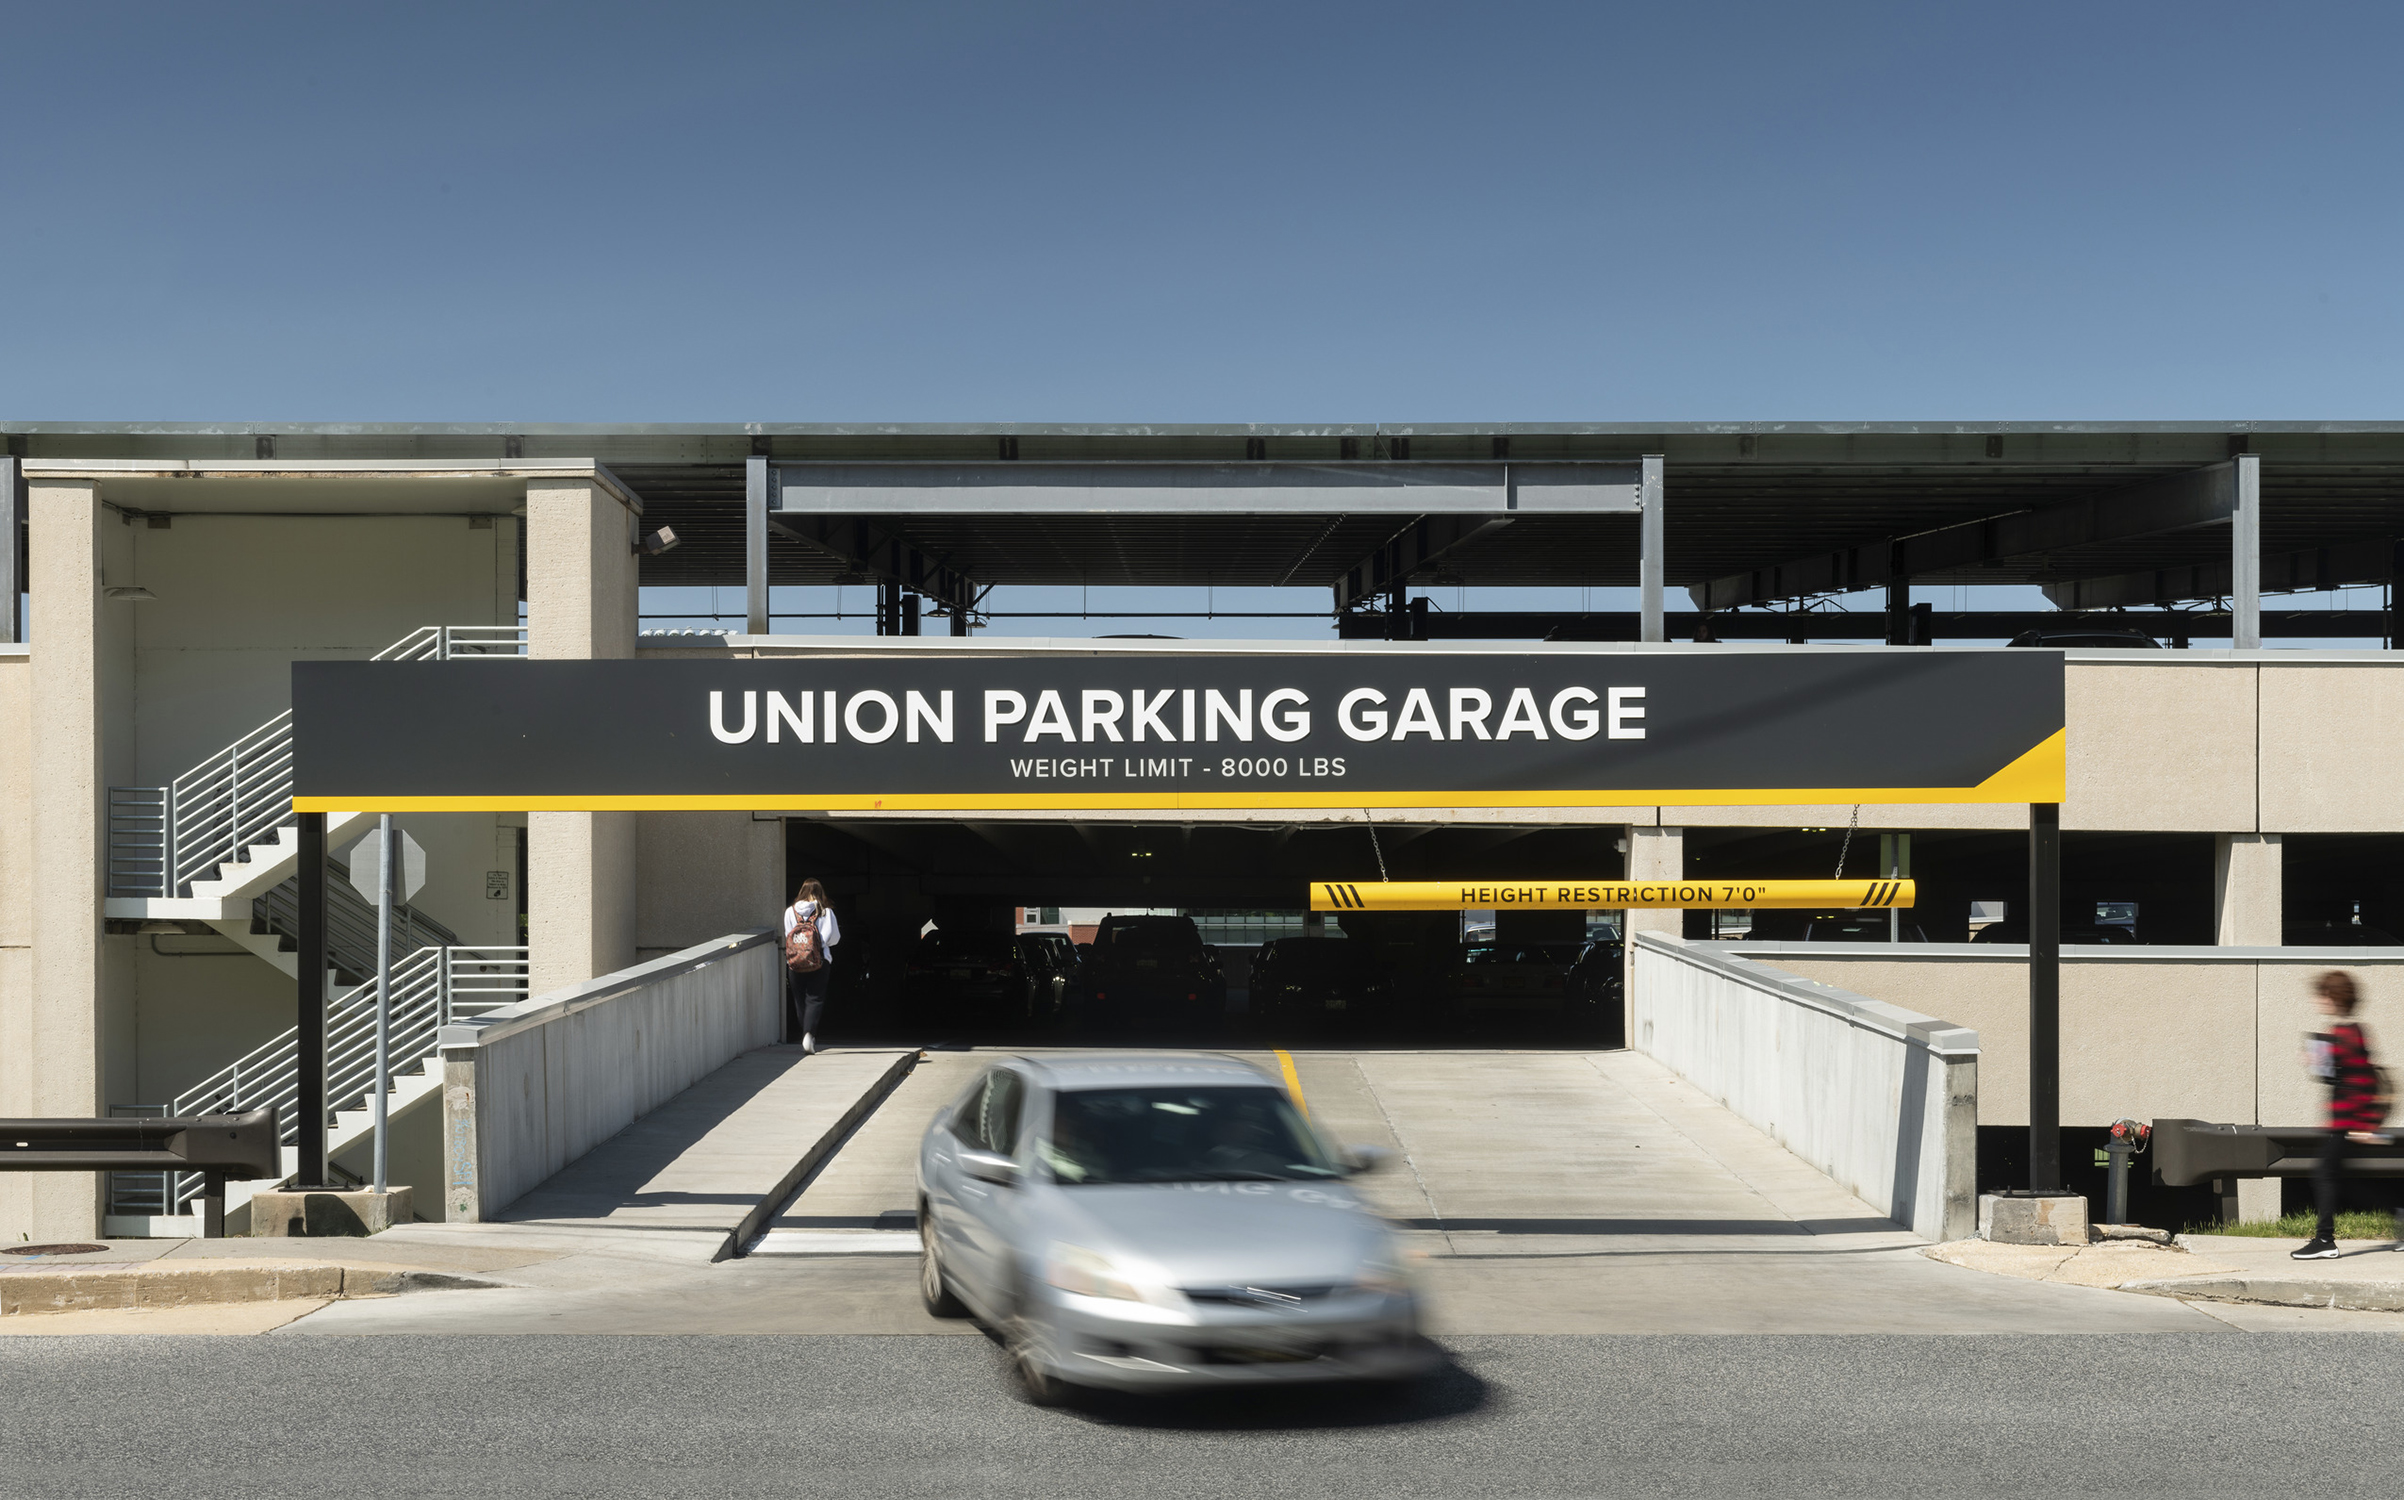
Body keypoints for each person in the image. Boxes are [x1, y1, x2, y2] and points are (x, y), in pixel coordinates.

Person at [2292, 970, 2395, 1259]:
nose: (2317, 1000)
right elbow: (2336, 1079)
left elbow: (2362, 1083)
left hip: (2347, 1124)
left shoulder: (2344, 1036)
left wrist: (2363, 1125)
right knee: (2341, 1178)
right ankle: (2399, 1213)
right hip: (2344, 1122)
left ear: (2332, 997)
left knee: (2324, 1174)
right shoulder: (2350, 1033)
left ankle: (2325, 1241)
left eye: (2321, 994)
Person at [783, 879, 841, 1055]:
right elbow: (834, 938)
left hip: (794, 962)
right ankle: (809, 1034)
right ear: (820, 893)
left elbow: (788, 935)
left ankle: (805, 1033)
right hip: (819, 961)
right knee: (814, 998)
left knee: (799, 1000)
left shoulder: (789, 912)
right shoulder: (826, 912)